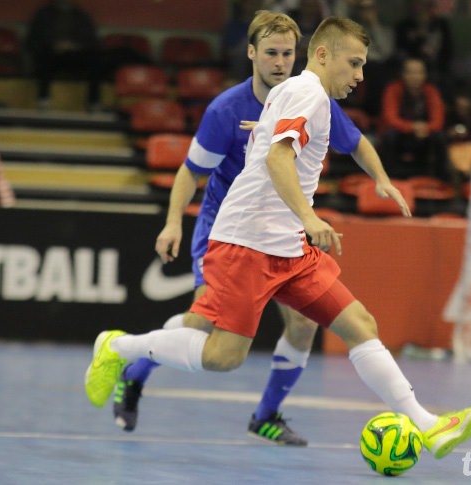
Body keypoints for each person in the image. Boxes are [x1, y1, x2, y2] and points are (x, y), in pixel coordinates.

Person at [85, 16, 471, 461]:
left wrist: (380, 180)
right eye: (354, 64)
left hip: (289, 246)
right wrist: (310, 217)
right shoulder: (303, 93)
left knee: (360, 325)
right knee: (222, 356)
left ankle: (428, 426)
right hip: (247, 242)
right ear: (323, 55)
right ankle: (118, 346)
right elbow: (278, 159)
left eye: (363, 65)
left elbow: (337, 146)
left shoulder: (305, 96)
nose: (360, 76)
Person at [111, 10, 395, 446]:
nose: (280, 62)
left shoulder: (311, 98)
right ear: (251, 54)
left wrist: (381, 178)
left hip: (280, 233)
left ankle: (266, 415)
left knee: (303, 324)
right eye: (270, 53)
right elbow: (190, 172)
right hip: (230, 230)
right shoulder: (226, 109)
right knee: (201, 325)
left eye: (287, 53)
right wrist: (172, 223)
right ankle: (133, 369)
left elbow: (355, 141)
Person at [379, 57, 451, 182]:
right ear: (403, 74)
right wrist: (413, 127)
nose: (415, 76)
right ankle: (389, 178)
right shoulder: (393, 89)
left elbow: (438, 121)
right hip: (400, 137)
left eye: (419, 72)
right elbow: (390, 118)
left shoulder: (431, 91)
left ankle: (442, 180)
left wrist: (425, 128)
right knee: (390, 135)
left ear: (425, 75)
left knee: (440, 137)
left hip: (423, 137)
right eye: (410, 72)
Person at [25, 0, 102, 110]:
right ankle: (43, 100)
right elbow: (32, 40)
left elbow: (92, 42)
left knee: (95, 59)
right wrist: (54, 46)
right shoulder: (43, 14)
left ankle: (94, 102)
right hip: (51, 54)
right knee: (44, 57)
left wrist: (74, 46)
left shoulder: (81, 15)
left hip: (75, 55)